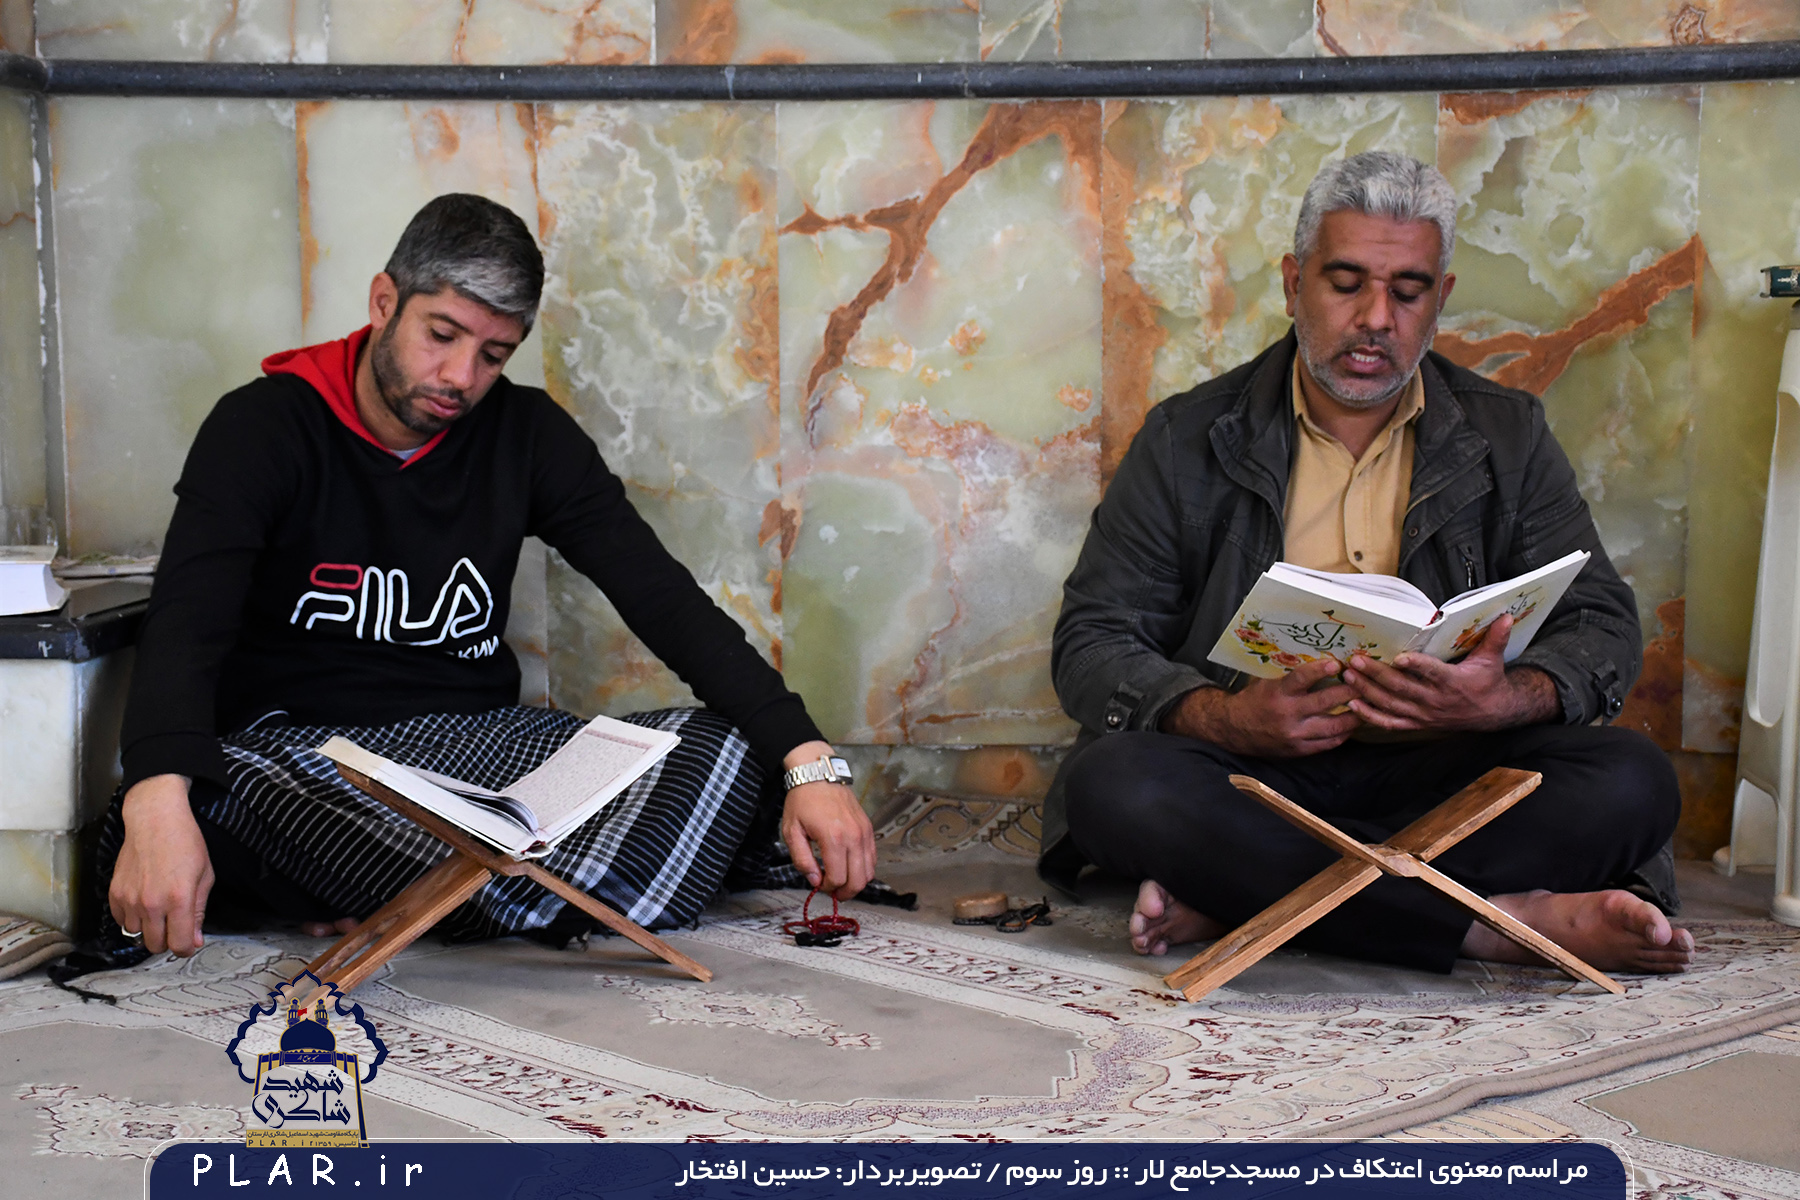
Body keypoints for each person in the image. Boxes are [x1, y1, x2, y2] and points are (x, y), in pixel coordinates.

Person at [91, 193, 874, 962]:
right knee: (209, 795)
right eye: (442, 335)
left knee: (722, 751)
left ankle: (400, 893)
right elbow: (187, 621)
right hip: (307, 761)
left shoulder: (527, 435)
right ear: (384, 301)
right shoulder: (262, 426)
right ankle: (536, 893)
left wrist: (808, 759)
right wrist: (155, 798)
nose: (461, 375)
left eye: (493, 355)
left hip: (477, 754)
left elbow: (662, 598)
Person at [1042, 151, 1693, 977]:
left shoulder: (1508, 435)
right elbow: (1093, 643)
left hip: (1443, 772)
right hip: (1257, 772)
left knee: (1633, 781)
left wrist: (1499, 701)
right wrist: (1227, 719)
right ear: (1294, 284)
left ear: (1440, 299)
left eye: (1407, 292)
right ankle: (1494, 923)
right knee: (1114, 787)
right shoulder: (1186, 438)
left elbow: (1600, 625)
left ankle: (1251, 896)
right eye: (1346, 284)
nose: (1376, 318)